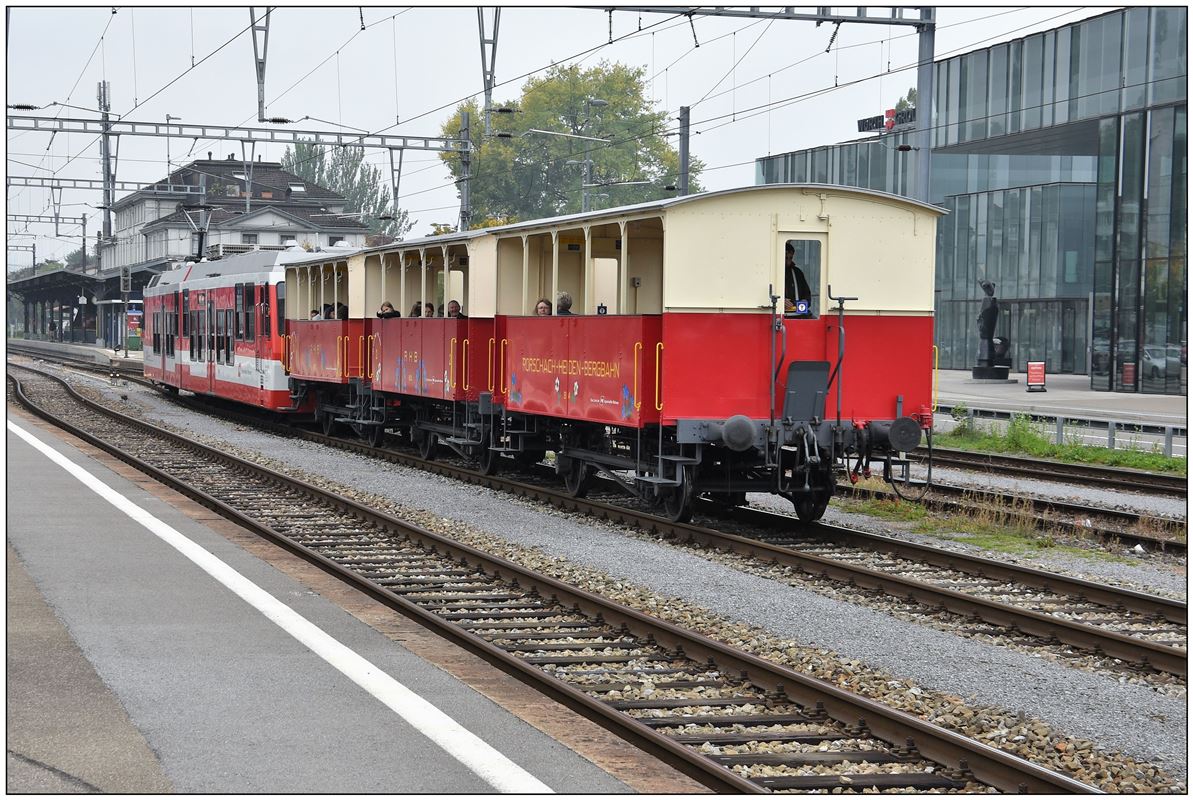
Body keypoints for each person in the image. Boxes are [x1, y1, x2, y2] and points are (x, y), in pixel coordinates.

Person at [783, 241, 812, 314]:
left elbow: (807, 295)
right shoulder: (772, 273)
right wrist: (780, 302)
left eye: (791, 258)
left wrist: (805, 301)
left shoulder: (798, 273)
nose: (788, 262)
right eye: (786, 258)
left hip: (797, 315)